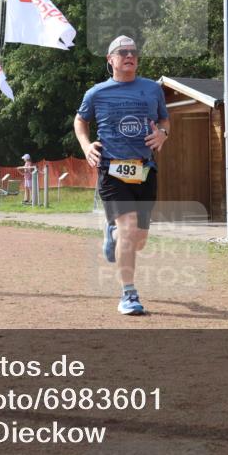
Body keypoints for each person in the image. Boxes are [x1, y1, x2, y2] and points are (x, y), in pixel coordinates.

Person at [74, 35, 170, 316]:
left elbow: (164, 119)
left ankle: (112, 233)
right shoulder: (96, 93)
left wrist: (162, 134)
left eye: (133, 52)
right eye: (123, 52)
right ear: (110, 59)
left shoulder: (152, 89)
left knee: (139, 239)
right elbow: (80, 120)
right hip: (112, 169)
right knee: (129, 229)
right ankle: (128, 294)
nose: (129, 56)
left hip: (145, 169)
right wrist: (86, 146)